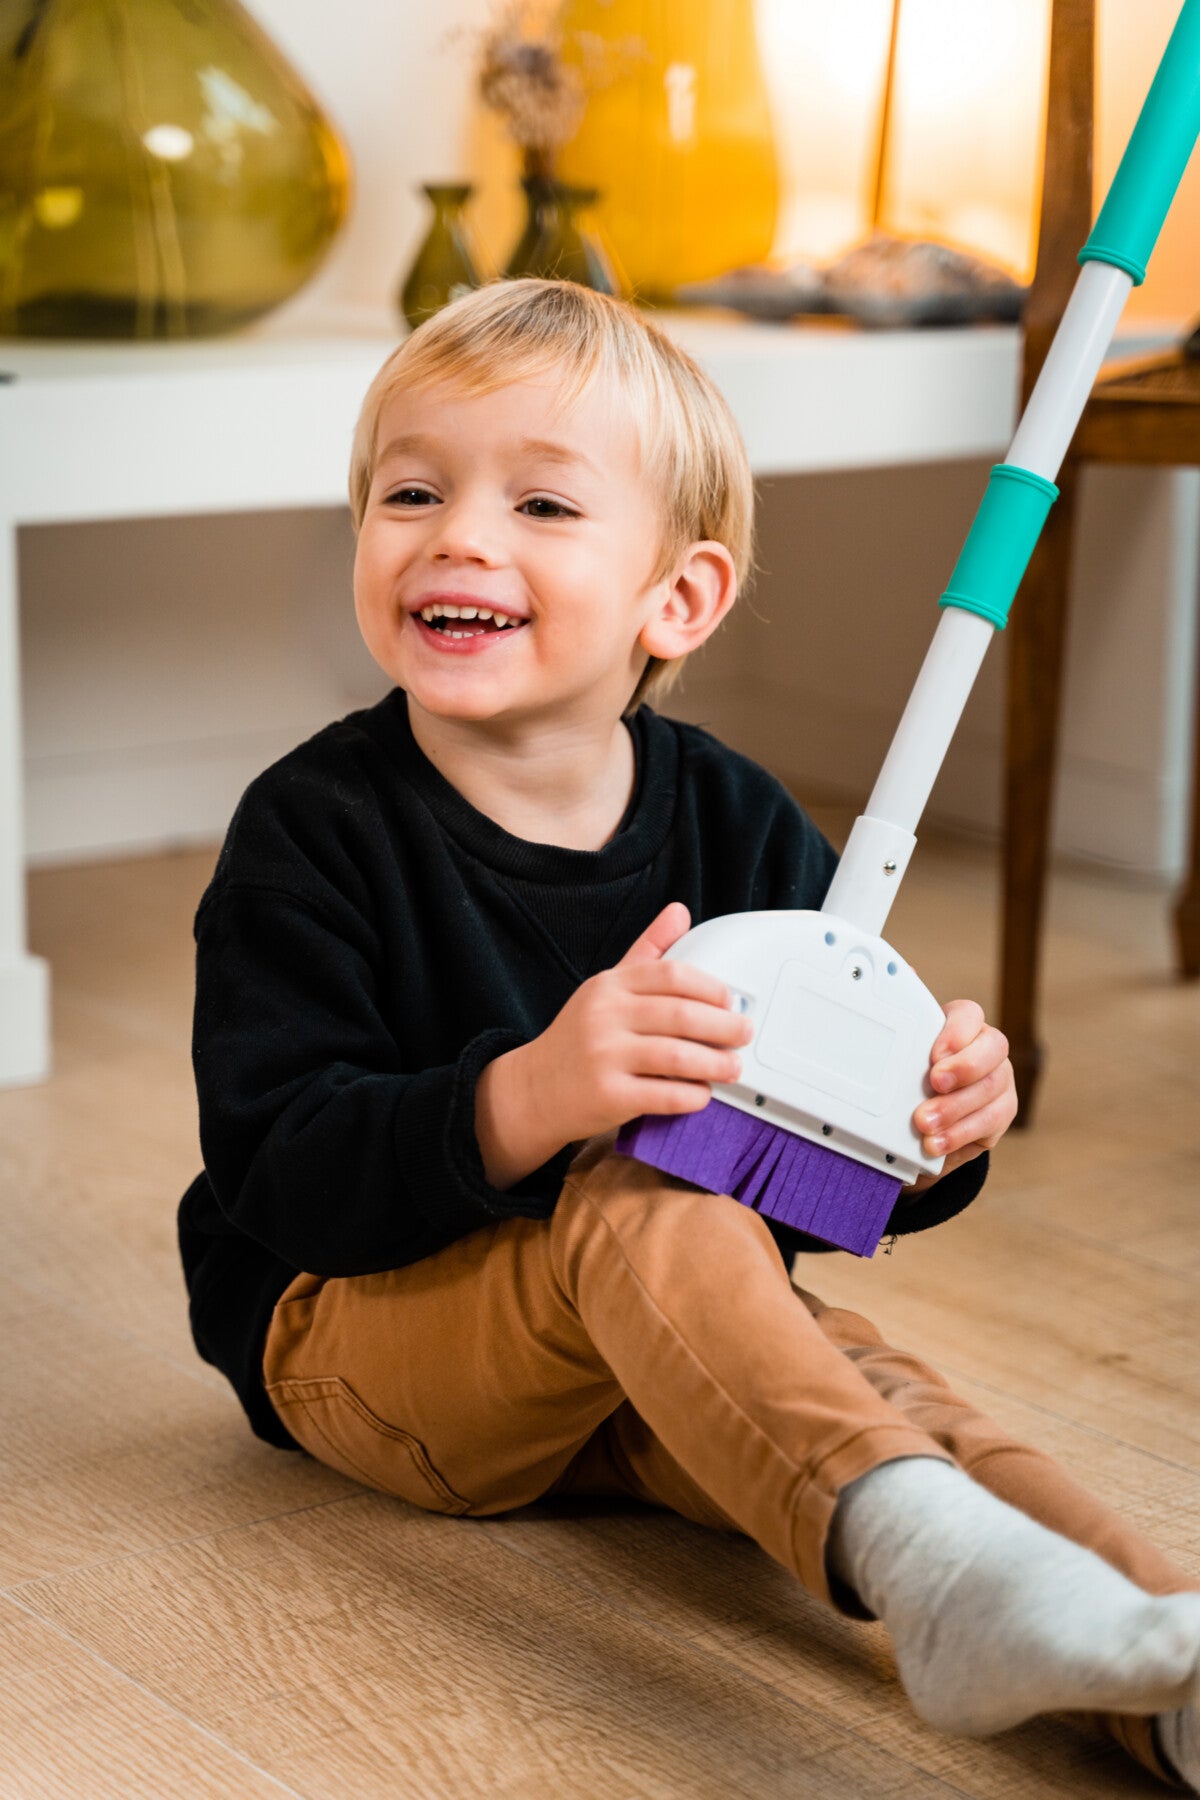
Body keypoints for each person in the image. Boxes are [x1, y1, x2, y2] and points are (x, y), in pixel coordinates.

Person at [178, 278, 1200, 1789]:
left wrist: (927, 1126)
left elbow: (819, 1168)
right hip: (356, 1331)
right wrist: (529, 1096)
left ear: (680, 598)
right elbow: (279, 1170)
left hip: (639, 1324)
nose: (458, 536)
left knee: (873, 1388)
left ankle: (1157, 1661)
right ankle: (935, 1569)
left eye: (540, 503)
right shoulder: (311, 832)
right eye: (412, 491)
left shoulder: (737, 819)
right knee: (638, 1191)